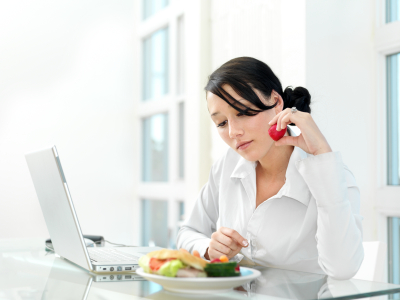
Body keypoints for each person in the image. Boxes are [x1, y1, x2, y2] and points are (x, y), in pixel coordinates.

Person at [176, 57, 364, 280]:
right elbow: (187, 232)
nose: (233, 132)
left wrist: (323, 155)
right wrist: (209, 247)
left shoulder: (333, 175)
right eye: (222, 123)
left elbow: (343, 270)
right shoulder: (227, 165)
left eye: (243, 112)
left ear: (276, 102)